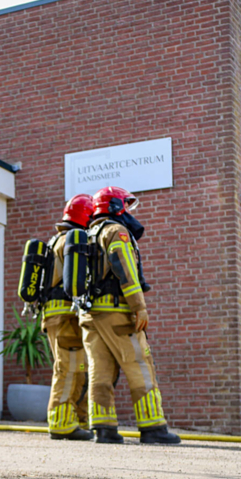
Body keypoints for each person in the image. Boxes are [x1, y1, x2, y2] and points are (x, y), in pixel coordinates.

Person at [79, 186, 180, 445]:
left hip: (89, 314)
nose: (129, 211)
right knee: (139, 364)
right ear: (115, 206)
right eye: (126, 204)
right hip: (117, 312)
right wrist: (139, 306)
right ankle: (153, 428)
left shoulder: (87, 234)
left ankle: (104, 429)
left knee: (99, 369)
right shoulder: (116, 231)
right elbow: (124, 269)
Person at [43, 194, 95, 440]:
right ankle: (62, 422)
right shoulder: (71, 241)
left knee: (73, 367)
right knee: (69, 368)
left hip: (54, 314)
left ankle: (74, 419)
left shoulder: (54, 241)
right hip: (66, 315)